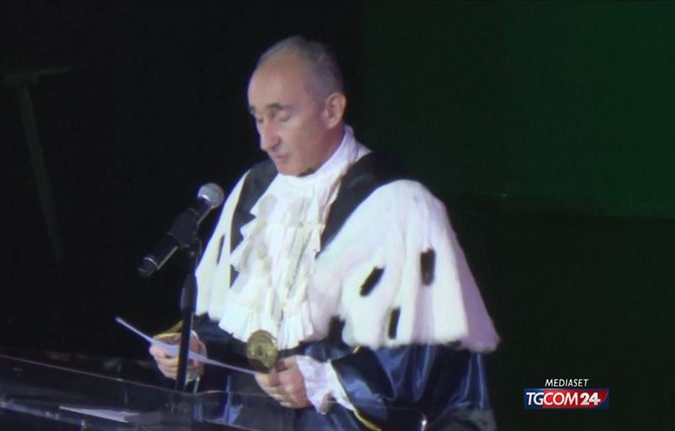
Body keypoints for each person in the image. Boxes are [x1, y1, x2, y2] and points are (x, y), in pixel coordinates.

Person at [150, 35, 500, 430]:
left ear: (332, 110)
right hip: (244, 418)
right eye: (258, 118)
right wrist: (193, 349)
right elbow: (226, 317)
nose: (266, 140)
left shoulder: (394, 203)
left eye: (281, 117)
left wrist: (326, 380)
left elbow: (422, 358)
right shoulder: (254, 189)